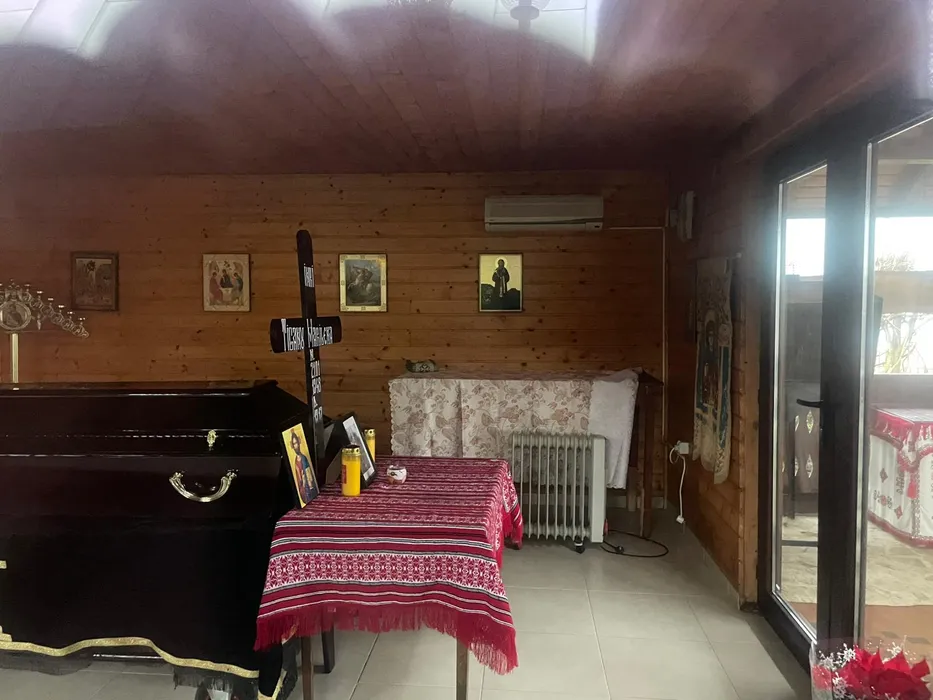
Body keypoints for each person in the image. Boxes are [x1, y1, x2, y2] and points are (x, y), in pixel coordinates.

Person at [290, 430, 316, 505]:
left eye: (296, 443)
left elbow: (309, 475)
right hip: (303, 490)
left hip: (309, 489)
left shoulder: (304, 458)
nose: (296, 446)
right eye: (294, 444)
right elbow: (299, 481)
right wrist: (303, 482)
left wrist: (308, 482)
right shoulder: (295, 462)